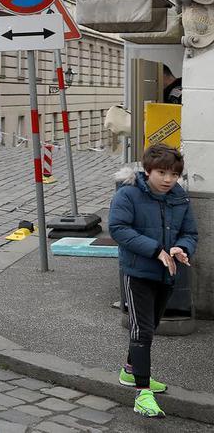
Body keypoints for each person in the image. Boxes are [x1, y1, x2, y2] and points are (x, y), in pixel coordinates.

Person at [109, 144, 198, 418]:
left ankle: (129, 371)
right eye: (161, 172)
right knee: (142, 331)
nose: (168, 179)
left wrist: (180, 248)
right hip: (137, 273)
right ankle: (142, 392)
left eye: (173, 174)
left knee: (150, 325)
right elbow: (118, 229)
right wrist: (155, 249)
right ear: (148, 171)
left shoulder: (180, 198)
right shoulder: (128, 194)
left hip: (167, 273)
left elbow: (190, 232)